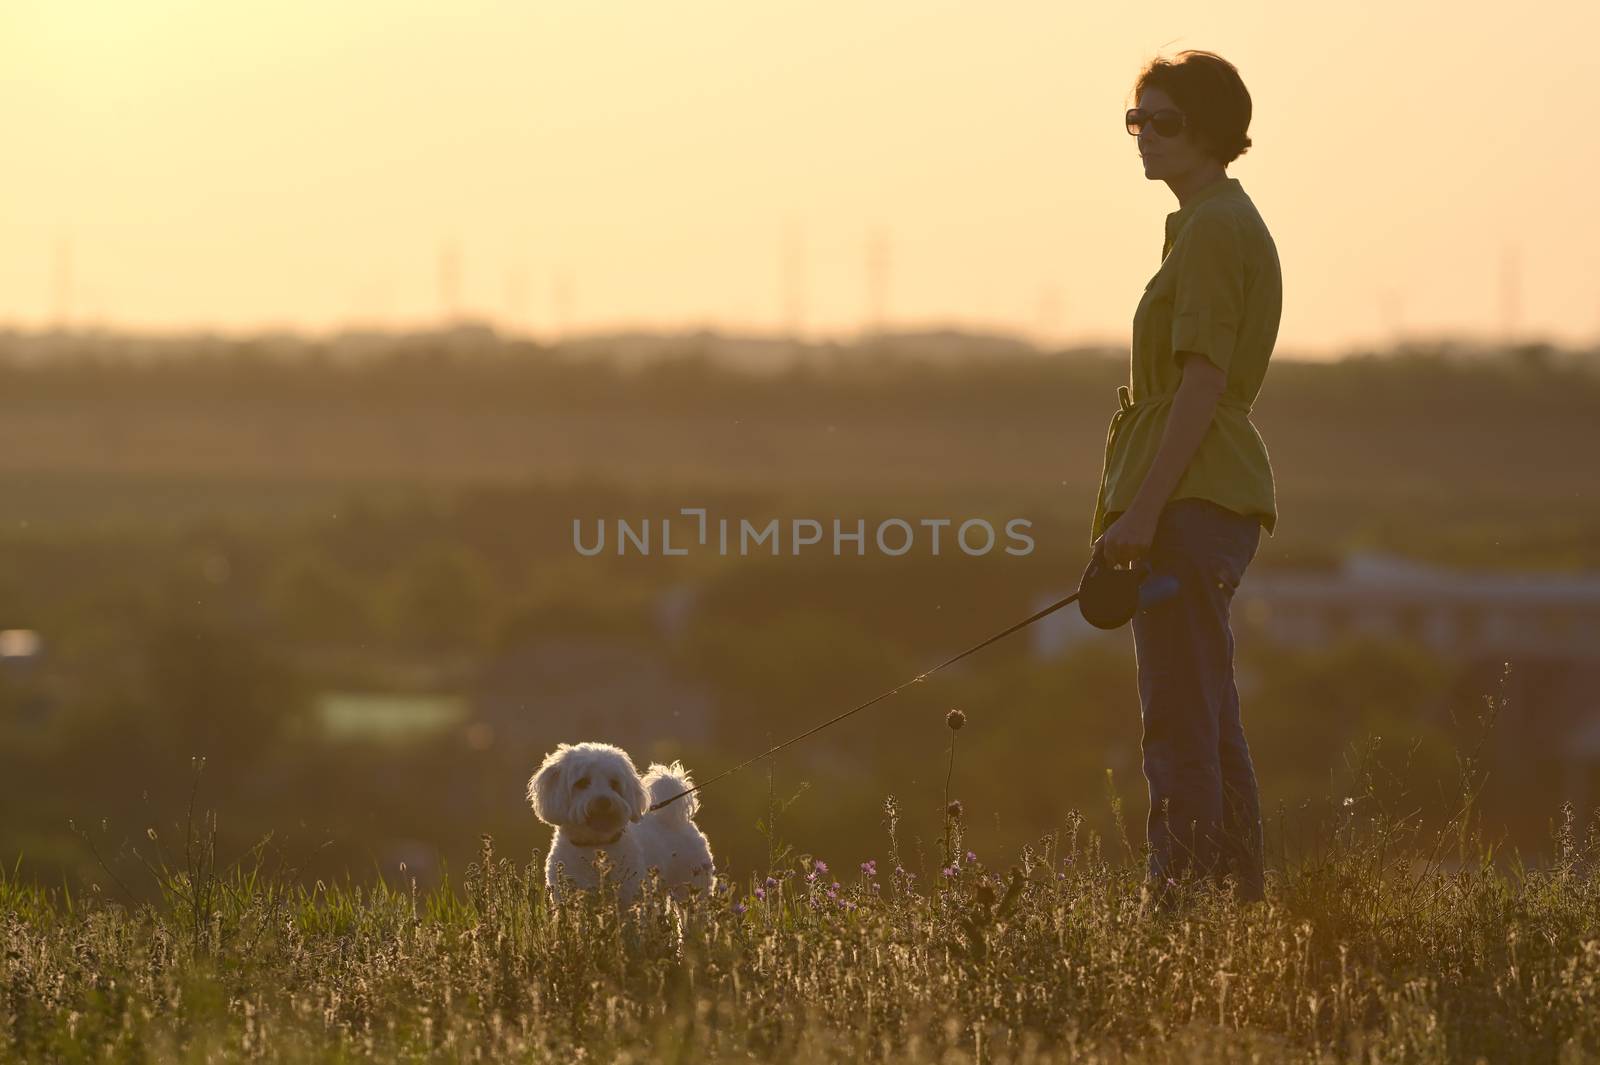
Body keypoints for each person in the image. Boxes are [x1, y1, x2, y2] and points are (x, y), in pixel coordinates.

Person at [1089, 50, 1282, 910]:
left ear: (1210, 128)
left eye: (1163, 121)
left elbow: (1201, 383)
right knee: (1210, 715)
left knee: (1177, 722)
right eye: (1137, 121)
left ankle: (1180, 907)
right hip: (1203, 498)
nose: (1145, 137)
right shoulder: (1208, 222)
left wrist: (1140, 514)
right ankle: (1236, 905)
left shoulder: (1212, 227)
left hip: (1190, 501)